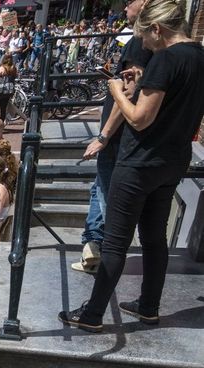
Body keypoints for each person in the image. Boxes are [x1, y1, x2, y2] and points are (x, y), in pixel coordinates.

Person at [61, 0, 204, 333]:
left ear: (157, 29)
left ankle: (93, 314)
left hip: (140, 161)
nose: (146, 45)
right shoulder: (199, 55)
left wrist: (118, 90)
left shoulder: (166, 59)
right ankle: (149, 307)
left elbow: (139, 119)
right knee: (154, 238)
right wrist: (142, 81)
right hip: (173, 160)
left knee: (114, 242)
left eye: (146, 35)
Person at [75, 0, 152, 274]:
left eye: (129, 3)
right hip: (128, 138)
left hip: (119, 137)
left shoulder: (138, 43)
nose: (125, 7)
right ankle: (93, 247)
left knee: (109, 197)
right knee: (99, 187)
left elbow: (129, 94)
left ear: (142, 6)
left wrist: (104, 135)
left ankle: (108, 262)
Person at [0, 54, 18, 123]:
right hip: (8, 91)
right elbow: (14, 77)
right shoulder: (13, 68)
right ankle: (1, 125)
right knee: (3, 109)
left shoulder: (1, 68)